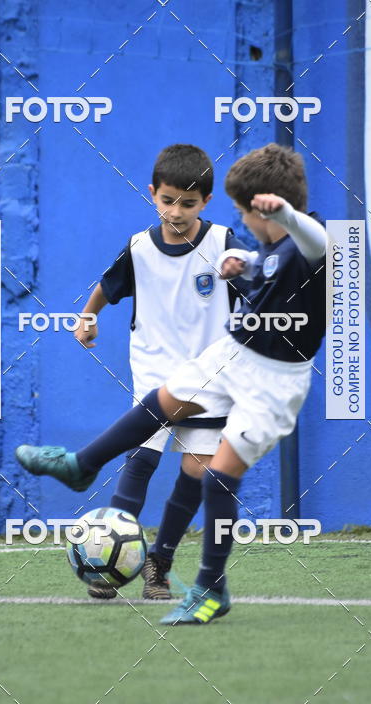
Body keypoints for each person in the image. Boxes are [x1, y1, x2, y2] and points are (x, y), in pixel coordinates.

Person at [16, 144, 327, 624]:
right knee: (160, 404)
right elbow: (267, 274)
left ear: (273, 207)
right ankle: (83, 464)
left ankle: (208, 587)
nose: (245, 222)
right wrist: (243, 267)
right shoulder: (257, 246)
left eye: (249, 213)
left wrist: (284, 215)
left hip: (274, 382)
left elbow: (315, 243)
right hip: (229, 355)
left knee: (216, 475)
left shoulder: (307, 239)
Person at [65, 143, 247, 600]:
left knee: (196, 471)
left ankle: (158, 565)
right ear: (152, 194)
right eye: (168, 200)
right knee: (142, 458)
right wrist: (88, 317)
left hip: (209, 380)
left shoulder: (223, 244)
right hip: (154, 374)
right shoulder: (140, 248)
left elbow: (258, 293)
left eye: (188, 203)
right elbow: (108, 287)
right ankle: (104, 561)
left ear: (206, 202)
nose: (177, 211)